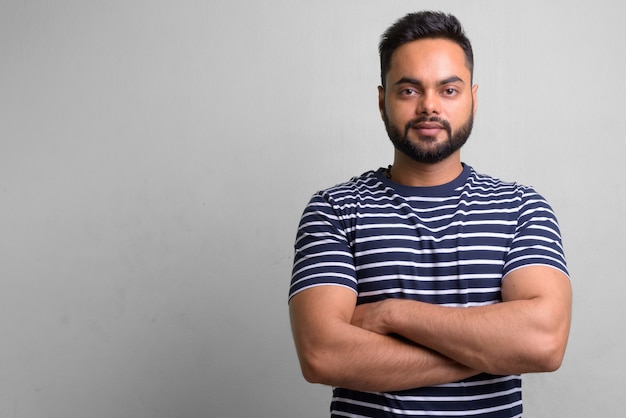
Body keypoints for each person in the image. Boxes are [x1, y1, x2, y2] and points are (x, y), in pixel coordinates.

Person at [288, 10, 572, 418]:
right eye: (408, 91)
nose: (429, 107)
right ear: (382, 101)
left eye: (449, 90)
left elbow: (543, 343)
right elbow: (323, 355)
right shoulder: (334, 210)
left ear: (473, 98)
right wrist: (491, 351)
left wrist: (391, 313)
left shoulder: (521, 208)